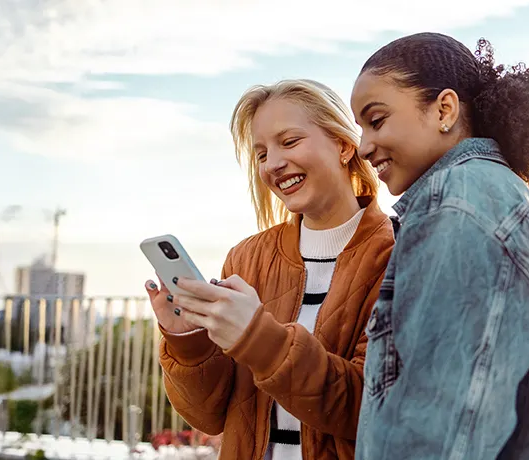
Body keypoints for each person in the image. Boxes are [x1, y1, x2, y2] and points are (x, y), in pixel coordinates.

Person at [345, 32, 529, 459]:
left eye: (376, 119)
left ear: (445, 109)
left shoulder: (459, 206)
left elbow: (437, 431)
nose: (363, 147)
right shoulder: (507, 201)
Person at [147, 79, 394, 460]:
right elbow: (210, 417)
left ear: (344, 145)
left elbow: (369, 406)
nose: (273, 164)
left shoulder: (398, 252)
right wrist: (189, 342)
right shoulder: (247, 258)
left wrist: (257, 337)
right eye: (261, 153)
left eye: (289, 142)